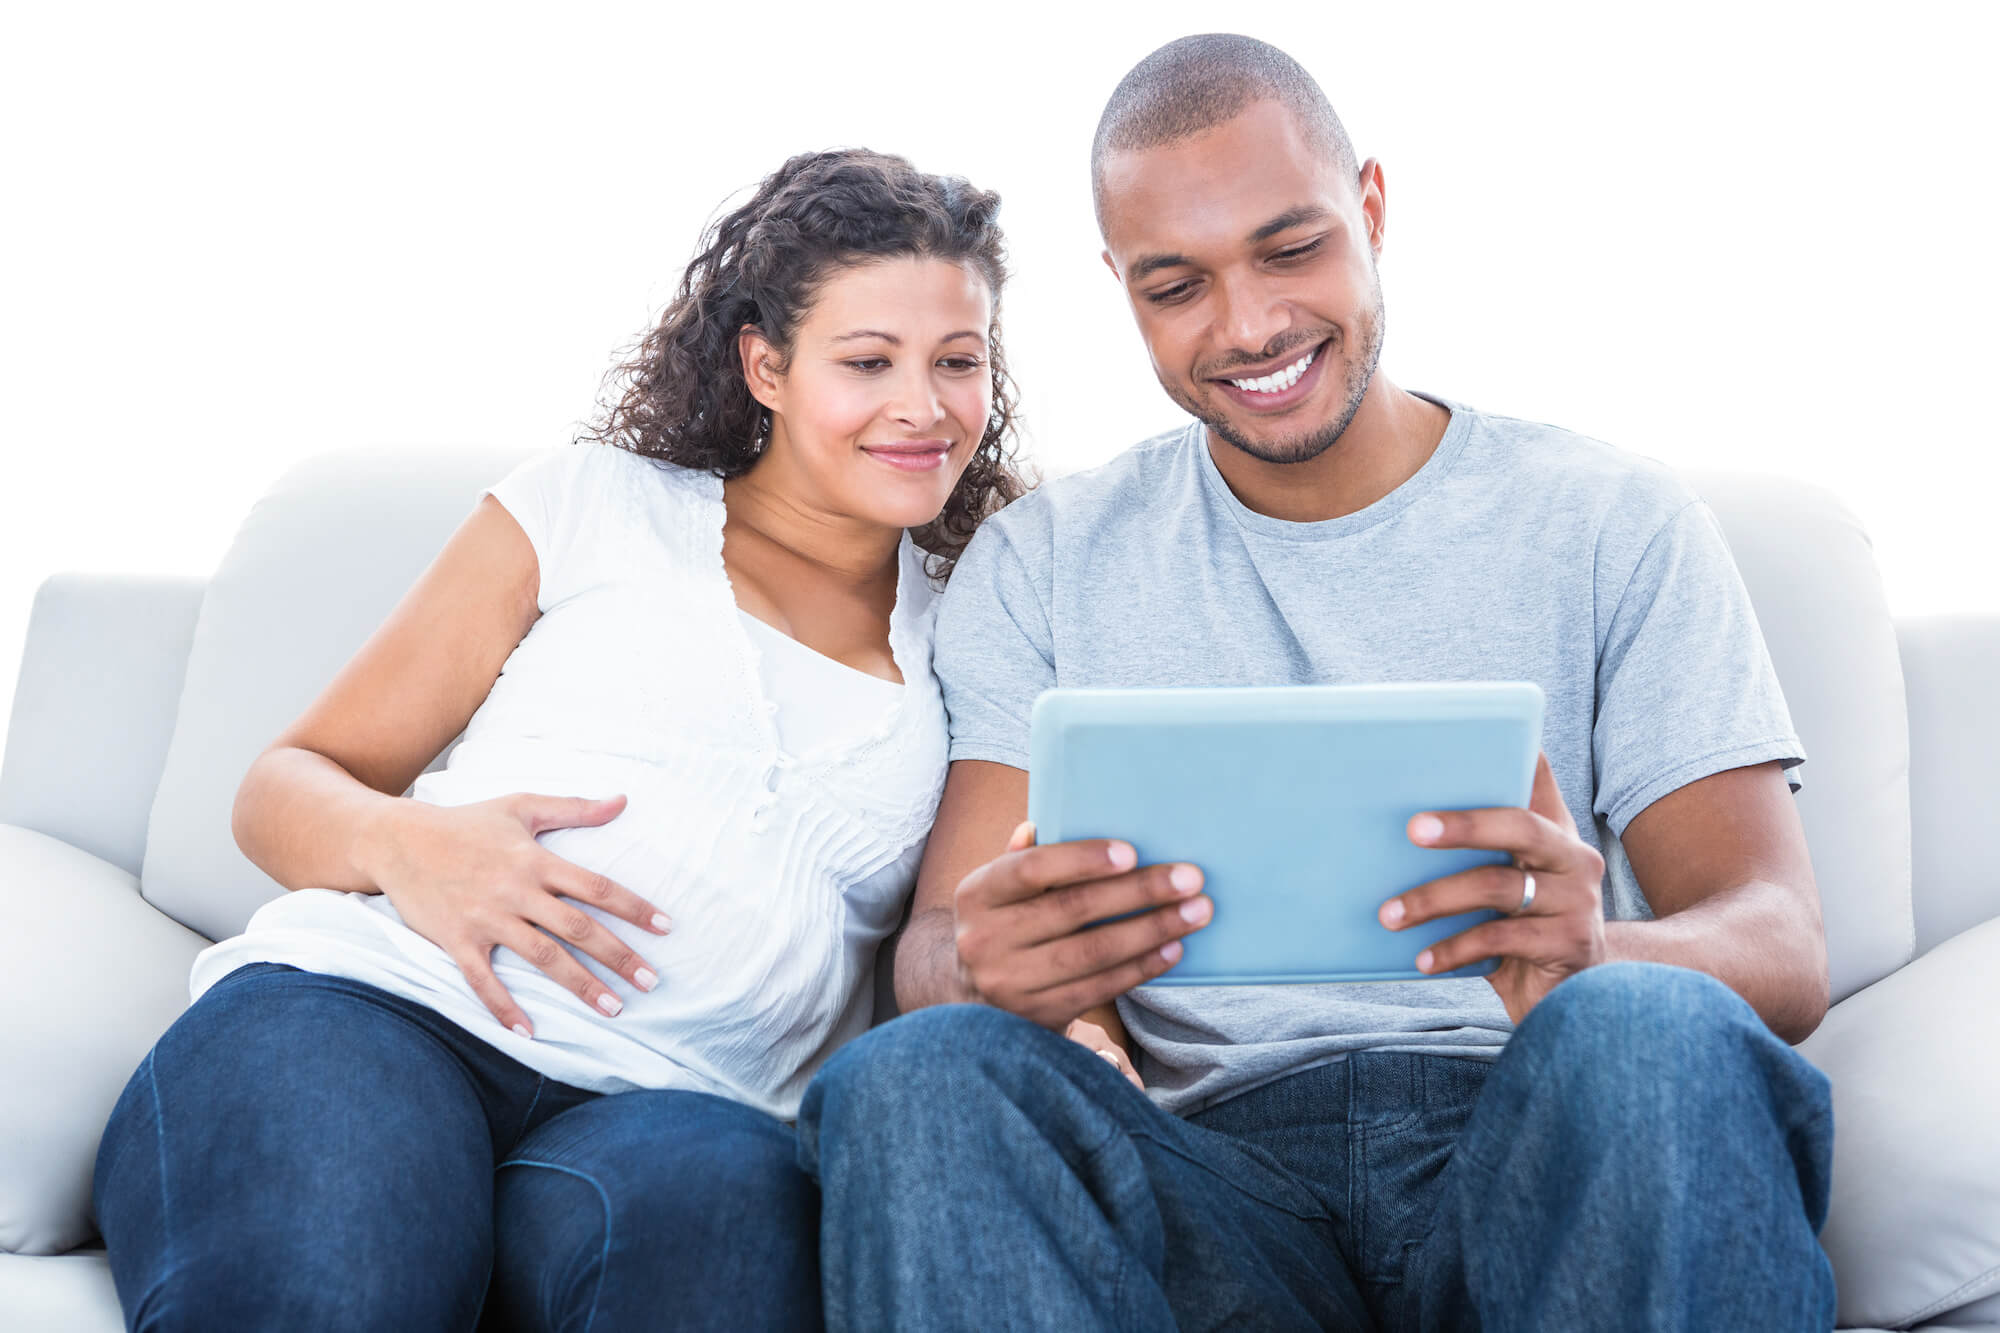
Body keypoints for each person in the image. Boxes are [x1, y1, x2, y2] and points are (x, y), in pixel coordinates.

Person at [796, 34, 1837, 1332]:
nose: (1249, 326)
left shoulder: (1609, 519)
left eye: (1292, 250)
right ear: (1120, 288)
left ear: (1375, 211)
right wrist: (987, 962)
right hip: (1203, 1189)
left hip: (1542, 1146)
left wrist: (1597, 956)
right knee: (918, 1074)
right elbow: (942, 946)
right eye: (1176, 285)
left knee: (1649, 1034)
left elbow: (1780, 941)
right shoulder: (1041, 561)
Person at [91, 147, 1025, 1332]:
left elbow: (946, 951)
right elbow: (280, 789)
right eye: (867, 361)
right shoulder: (593, 507)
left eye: (958, 361)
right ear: (766, 365)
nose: (922, 406)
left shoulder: (977, 631)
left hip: (679, 1110)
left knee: (717, 1274)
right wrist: (410, 846)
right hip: (375, 1016)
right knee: (337, 1290)